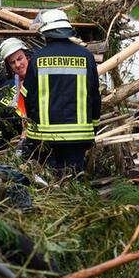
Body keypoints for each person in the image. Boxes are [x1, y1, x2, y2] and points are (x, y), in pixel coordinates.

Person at [21, 9, 101, 173]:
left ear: (46, 34)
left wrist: (32, 130)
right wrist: (93, 128)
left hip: (45, 138)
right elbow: (95, 96)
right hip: (79, 137)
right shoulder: (86, 57)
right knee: (74, 179)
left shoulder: (37, 58)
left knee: (49, 184)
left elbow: (27, 97)